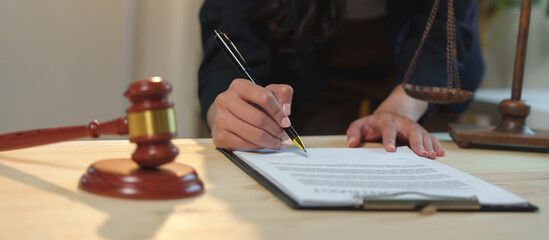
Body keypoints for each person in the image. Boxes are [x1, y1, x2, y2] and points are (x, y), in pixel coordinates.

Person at [198, 0, 484, 159]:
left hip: (421, 95)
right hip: (308, 84)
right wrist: (229, 112)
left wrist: (399, 110)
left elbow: (444, 32)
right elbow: (229, 37)